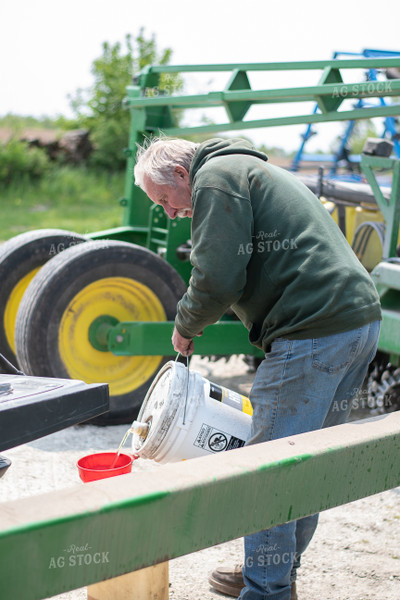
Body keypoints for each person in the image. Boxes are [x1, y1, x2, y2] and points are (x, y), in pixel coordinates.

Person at [134, 136, 381, 600]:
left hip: (312, 329)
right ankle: (273, 570)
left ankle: (266, 589)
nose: (169, 213)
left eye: (165, 200)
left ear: (182, 175)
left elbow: (218, 274)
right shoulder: (249, 170)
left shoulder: (216, 179)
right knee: (308, 462)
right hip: (358, 321)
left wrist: (185, 324)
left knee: (267, 467)